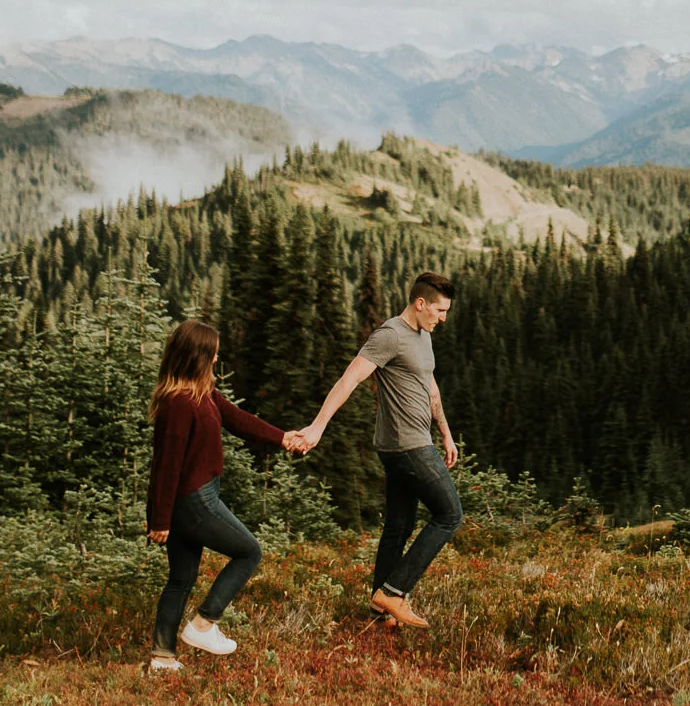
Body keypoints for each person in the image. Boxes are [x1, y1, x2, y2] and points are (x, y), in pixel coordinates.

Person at [290, 270, 459, 628]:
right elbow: (350, 378)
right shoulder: (389, 335)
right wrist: (318, 426)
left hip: (413, 441)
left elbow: (430, 385)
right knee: (449, 514)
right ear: (420, 303)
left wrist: (445, 432)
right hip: (406, 445)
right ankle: (394, 592)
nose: (442, 318)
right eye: (439, 311)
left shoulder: (423, 336)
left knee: (399, 525)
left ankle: (380, 612)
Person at [145, 319, 311, 674]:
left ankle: (162, 657)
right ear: (198, 355)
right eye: (214, 350)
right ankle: (204, 624)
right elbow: (166, 463)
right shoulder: (178, 402)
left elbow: (237, 419)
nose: (218, 355)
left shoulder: (202, 393)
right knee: (249, 551)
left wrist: (282, 437)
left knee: (181, 579)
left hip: (189, 500)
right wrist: (159, 519)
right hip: (193, 501)